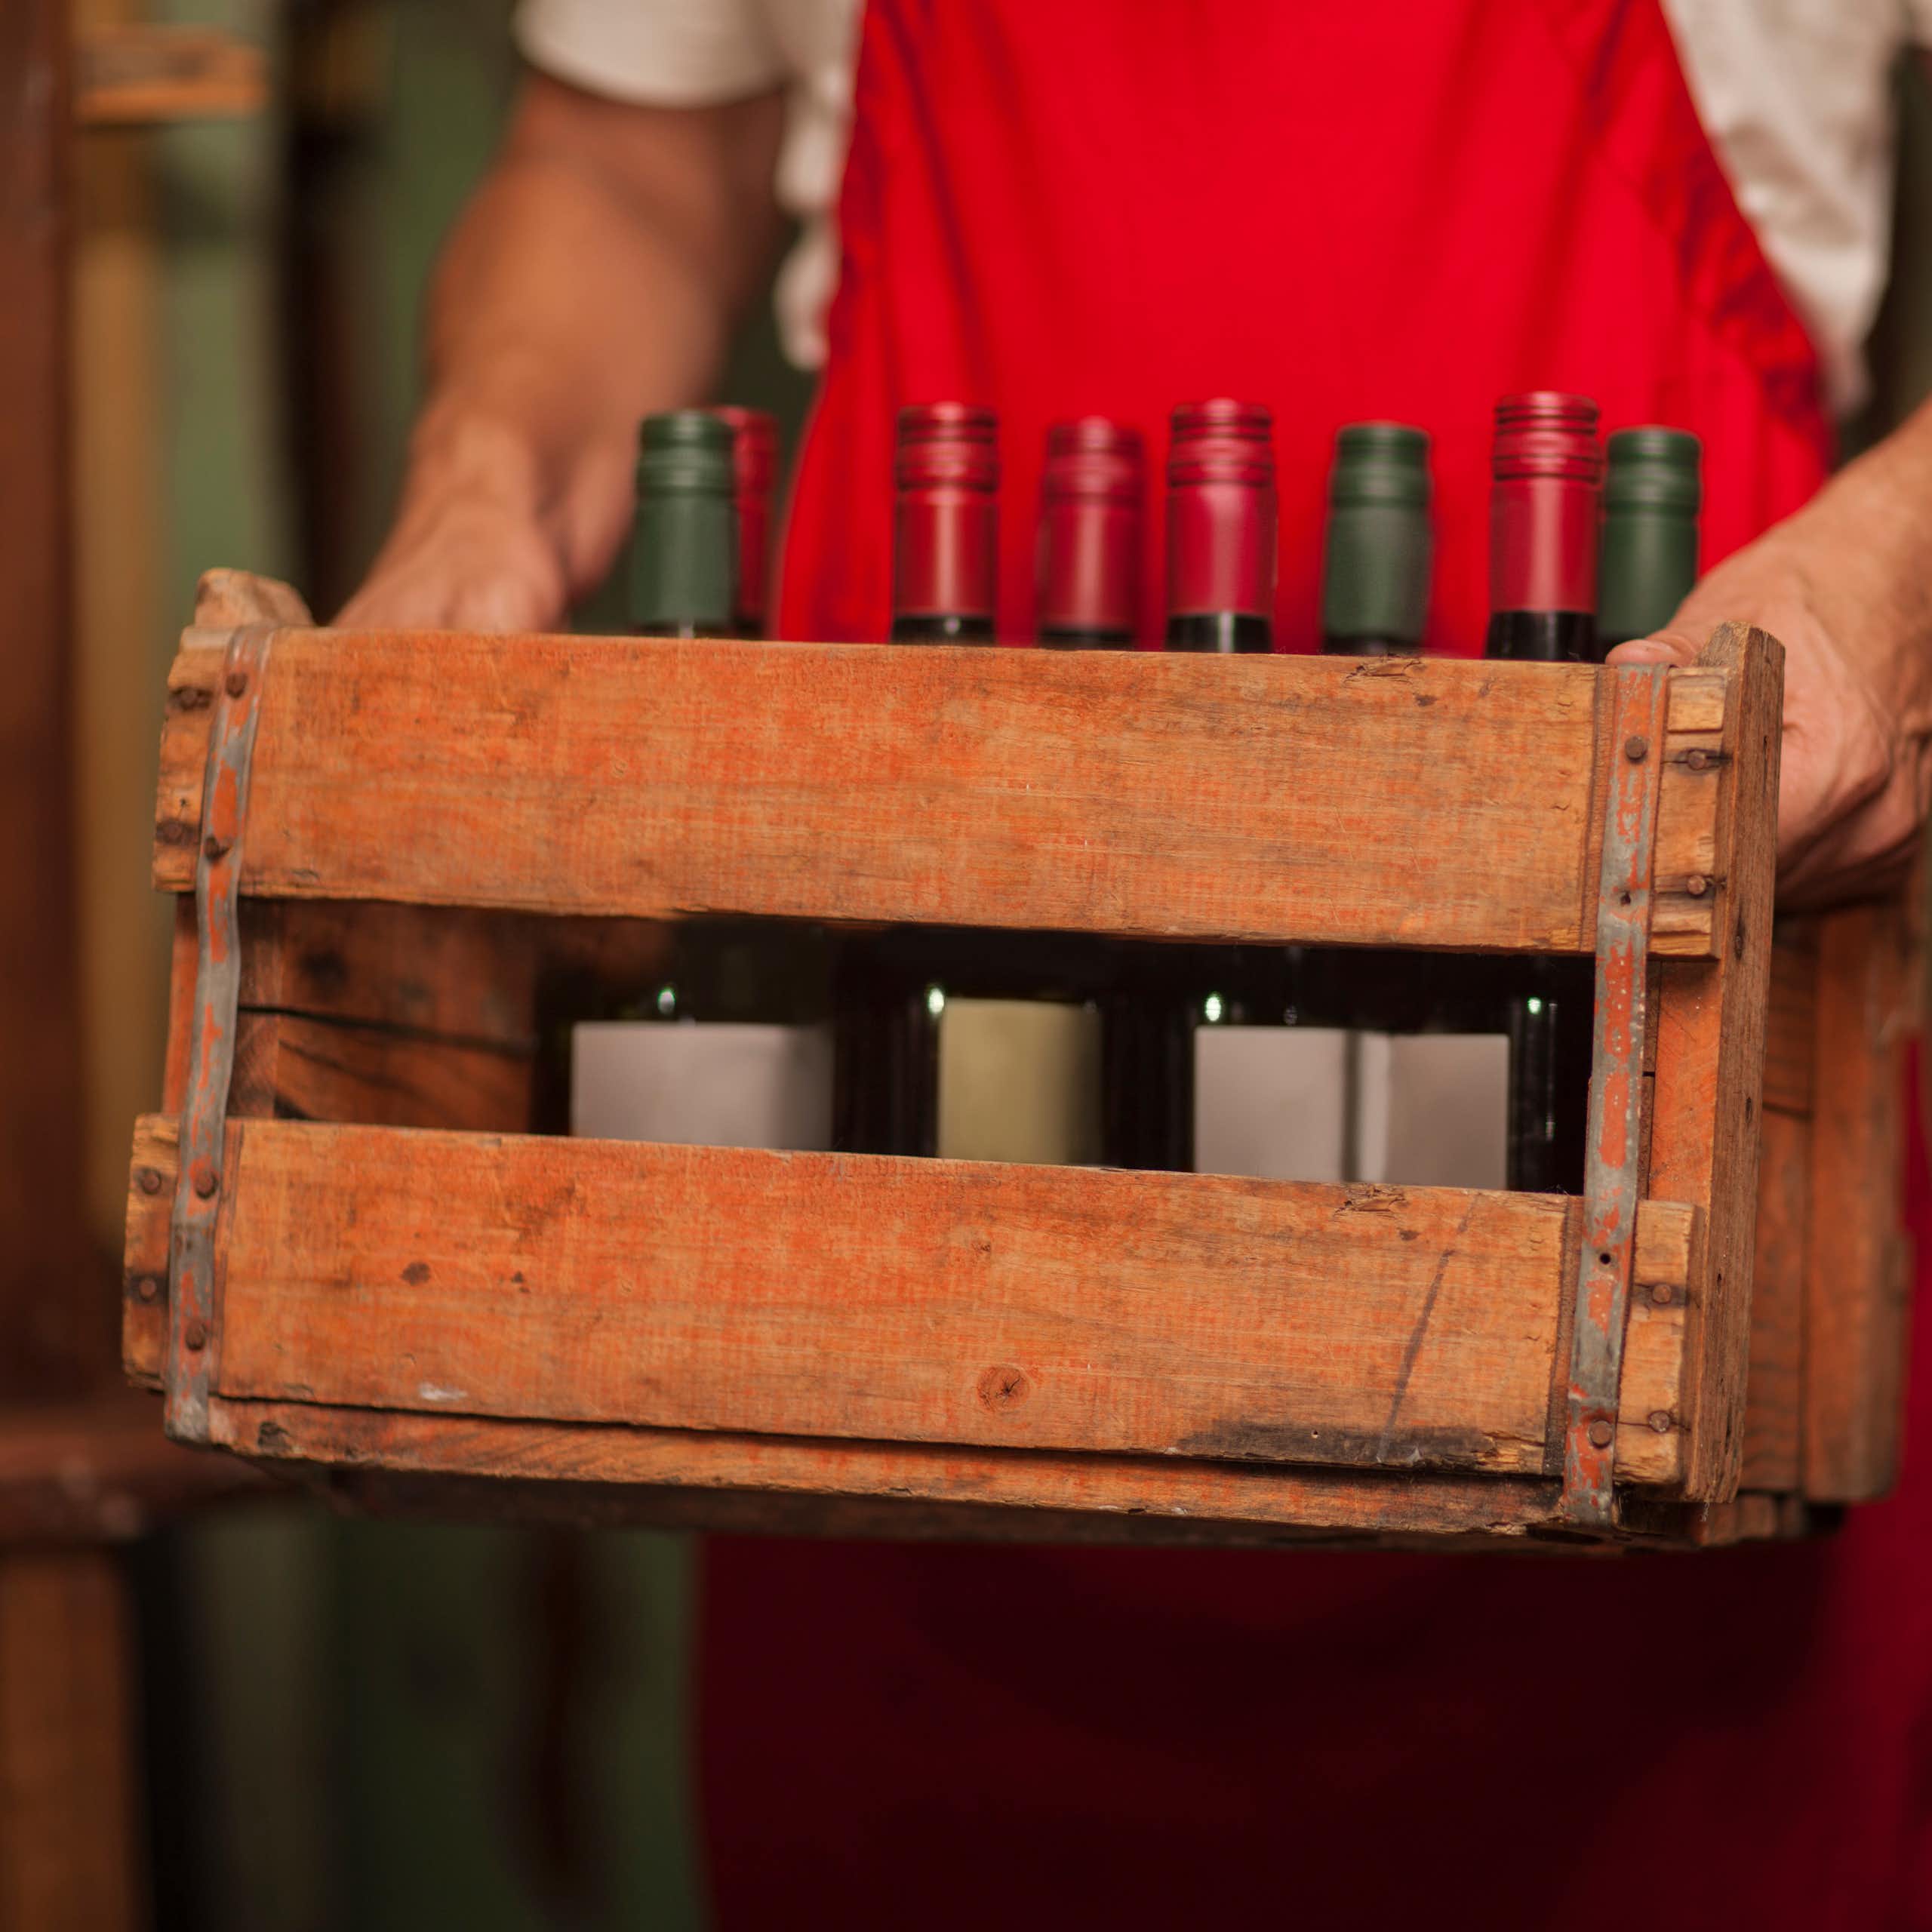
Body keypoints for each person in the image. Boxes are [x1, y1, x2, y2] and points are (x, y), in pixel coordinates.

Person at [344, 4, 1932, 1922]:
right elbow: (623, 158)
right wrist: (482, 483)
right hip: (893, 1386)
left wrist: (1884, 591)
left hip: (1671, 1444)